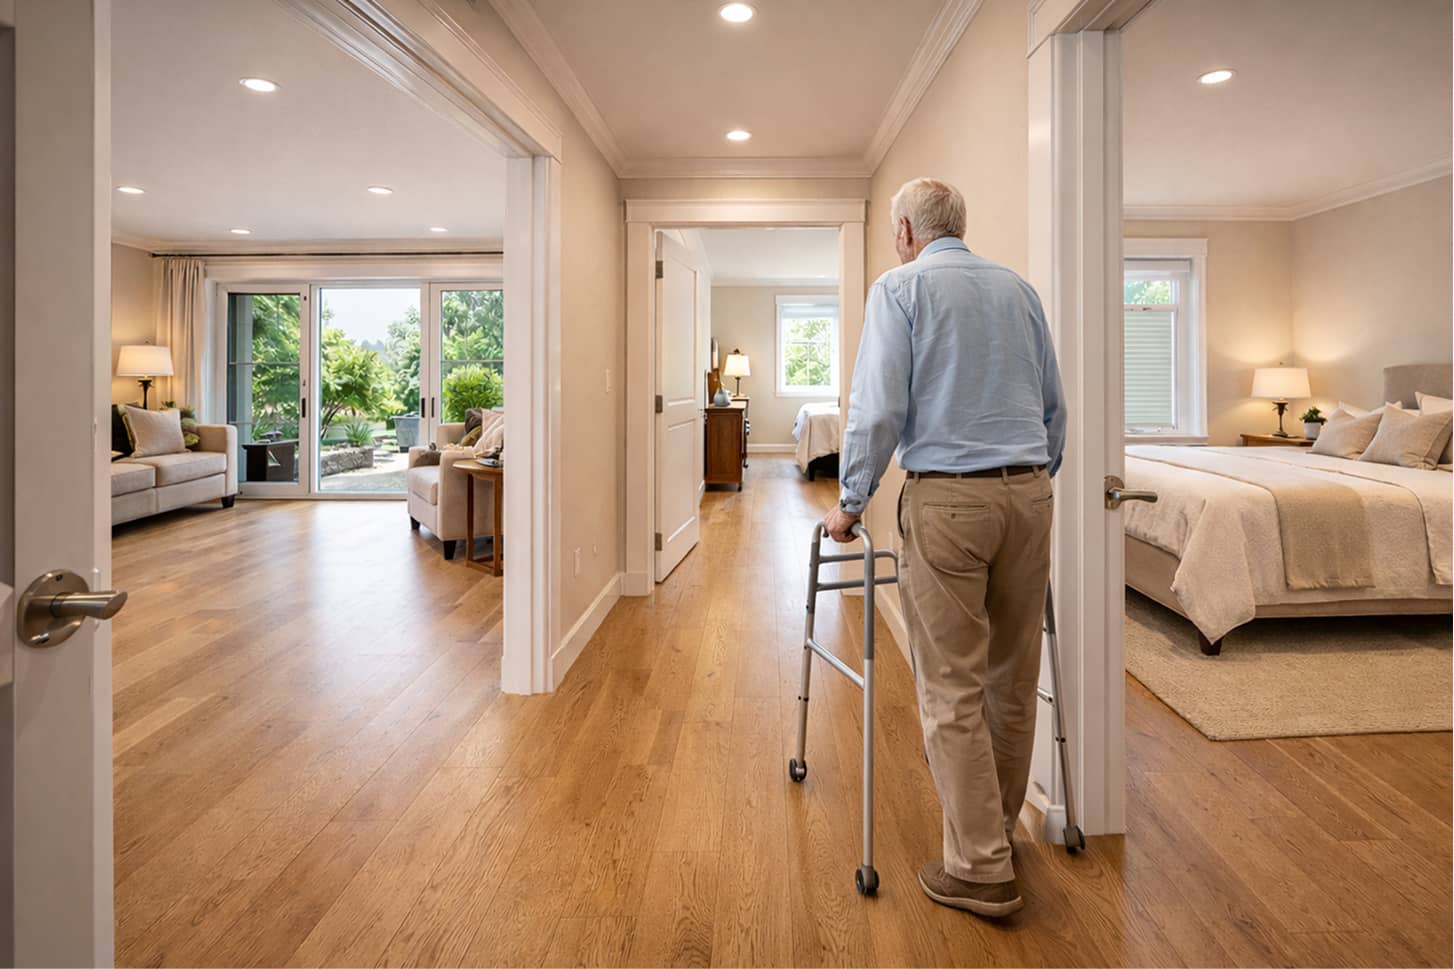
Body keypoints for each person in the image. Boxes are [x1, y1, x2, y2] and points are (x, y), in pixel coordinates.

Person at [822, 177, 1066, 918]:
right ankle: (996, 832)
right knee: (1012, 677)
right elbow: (1053, 408)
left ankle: (980, 866)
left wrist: (850, 501)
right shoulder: (1019, 290)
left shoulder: (900, 289)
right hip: (1030, 493)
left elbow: (877, 408)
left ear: (905, 231)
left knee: (951, 683)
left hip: (949, 500)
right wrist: (1029, 480)